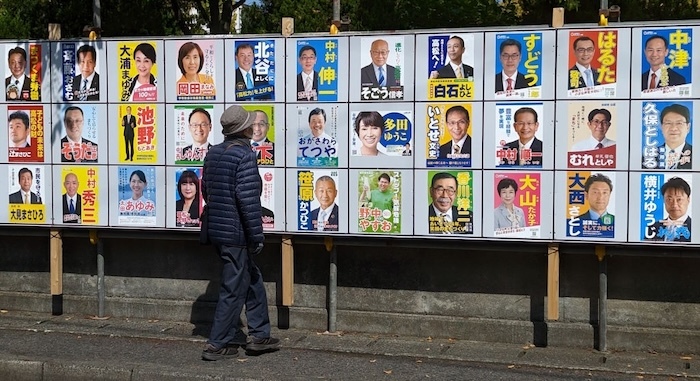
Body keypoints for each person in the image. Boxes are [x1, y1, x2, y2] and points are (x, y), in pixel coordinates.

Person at [201, 105, 279, 361]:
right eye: (250, 123)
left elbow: (206, 192)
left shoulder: (213, 153)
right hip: (236, 234)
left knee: (252, 279)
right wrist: (256, 236)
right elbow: (247, 200)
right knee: (234, 287)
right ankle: (217, 344)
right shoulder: (244, 155)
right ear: (244, 129)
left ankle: (259, 335)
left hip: (217, 230)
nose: (254, 126)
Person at [649, 177, 692, 242]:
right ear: (664, 200)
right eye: (669, 199)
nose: (674, 205)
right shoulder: (654, 227)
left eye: (679, 199)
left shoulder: (696, 228)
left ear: (688, 200)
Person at [657, 103, 692, 169]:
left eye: (679, 123)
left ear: (688, 127)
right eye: (668, 123)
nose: (673, 128)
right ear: (661, 127)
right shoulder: (650, 156)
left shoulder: (696, 154)